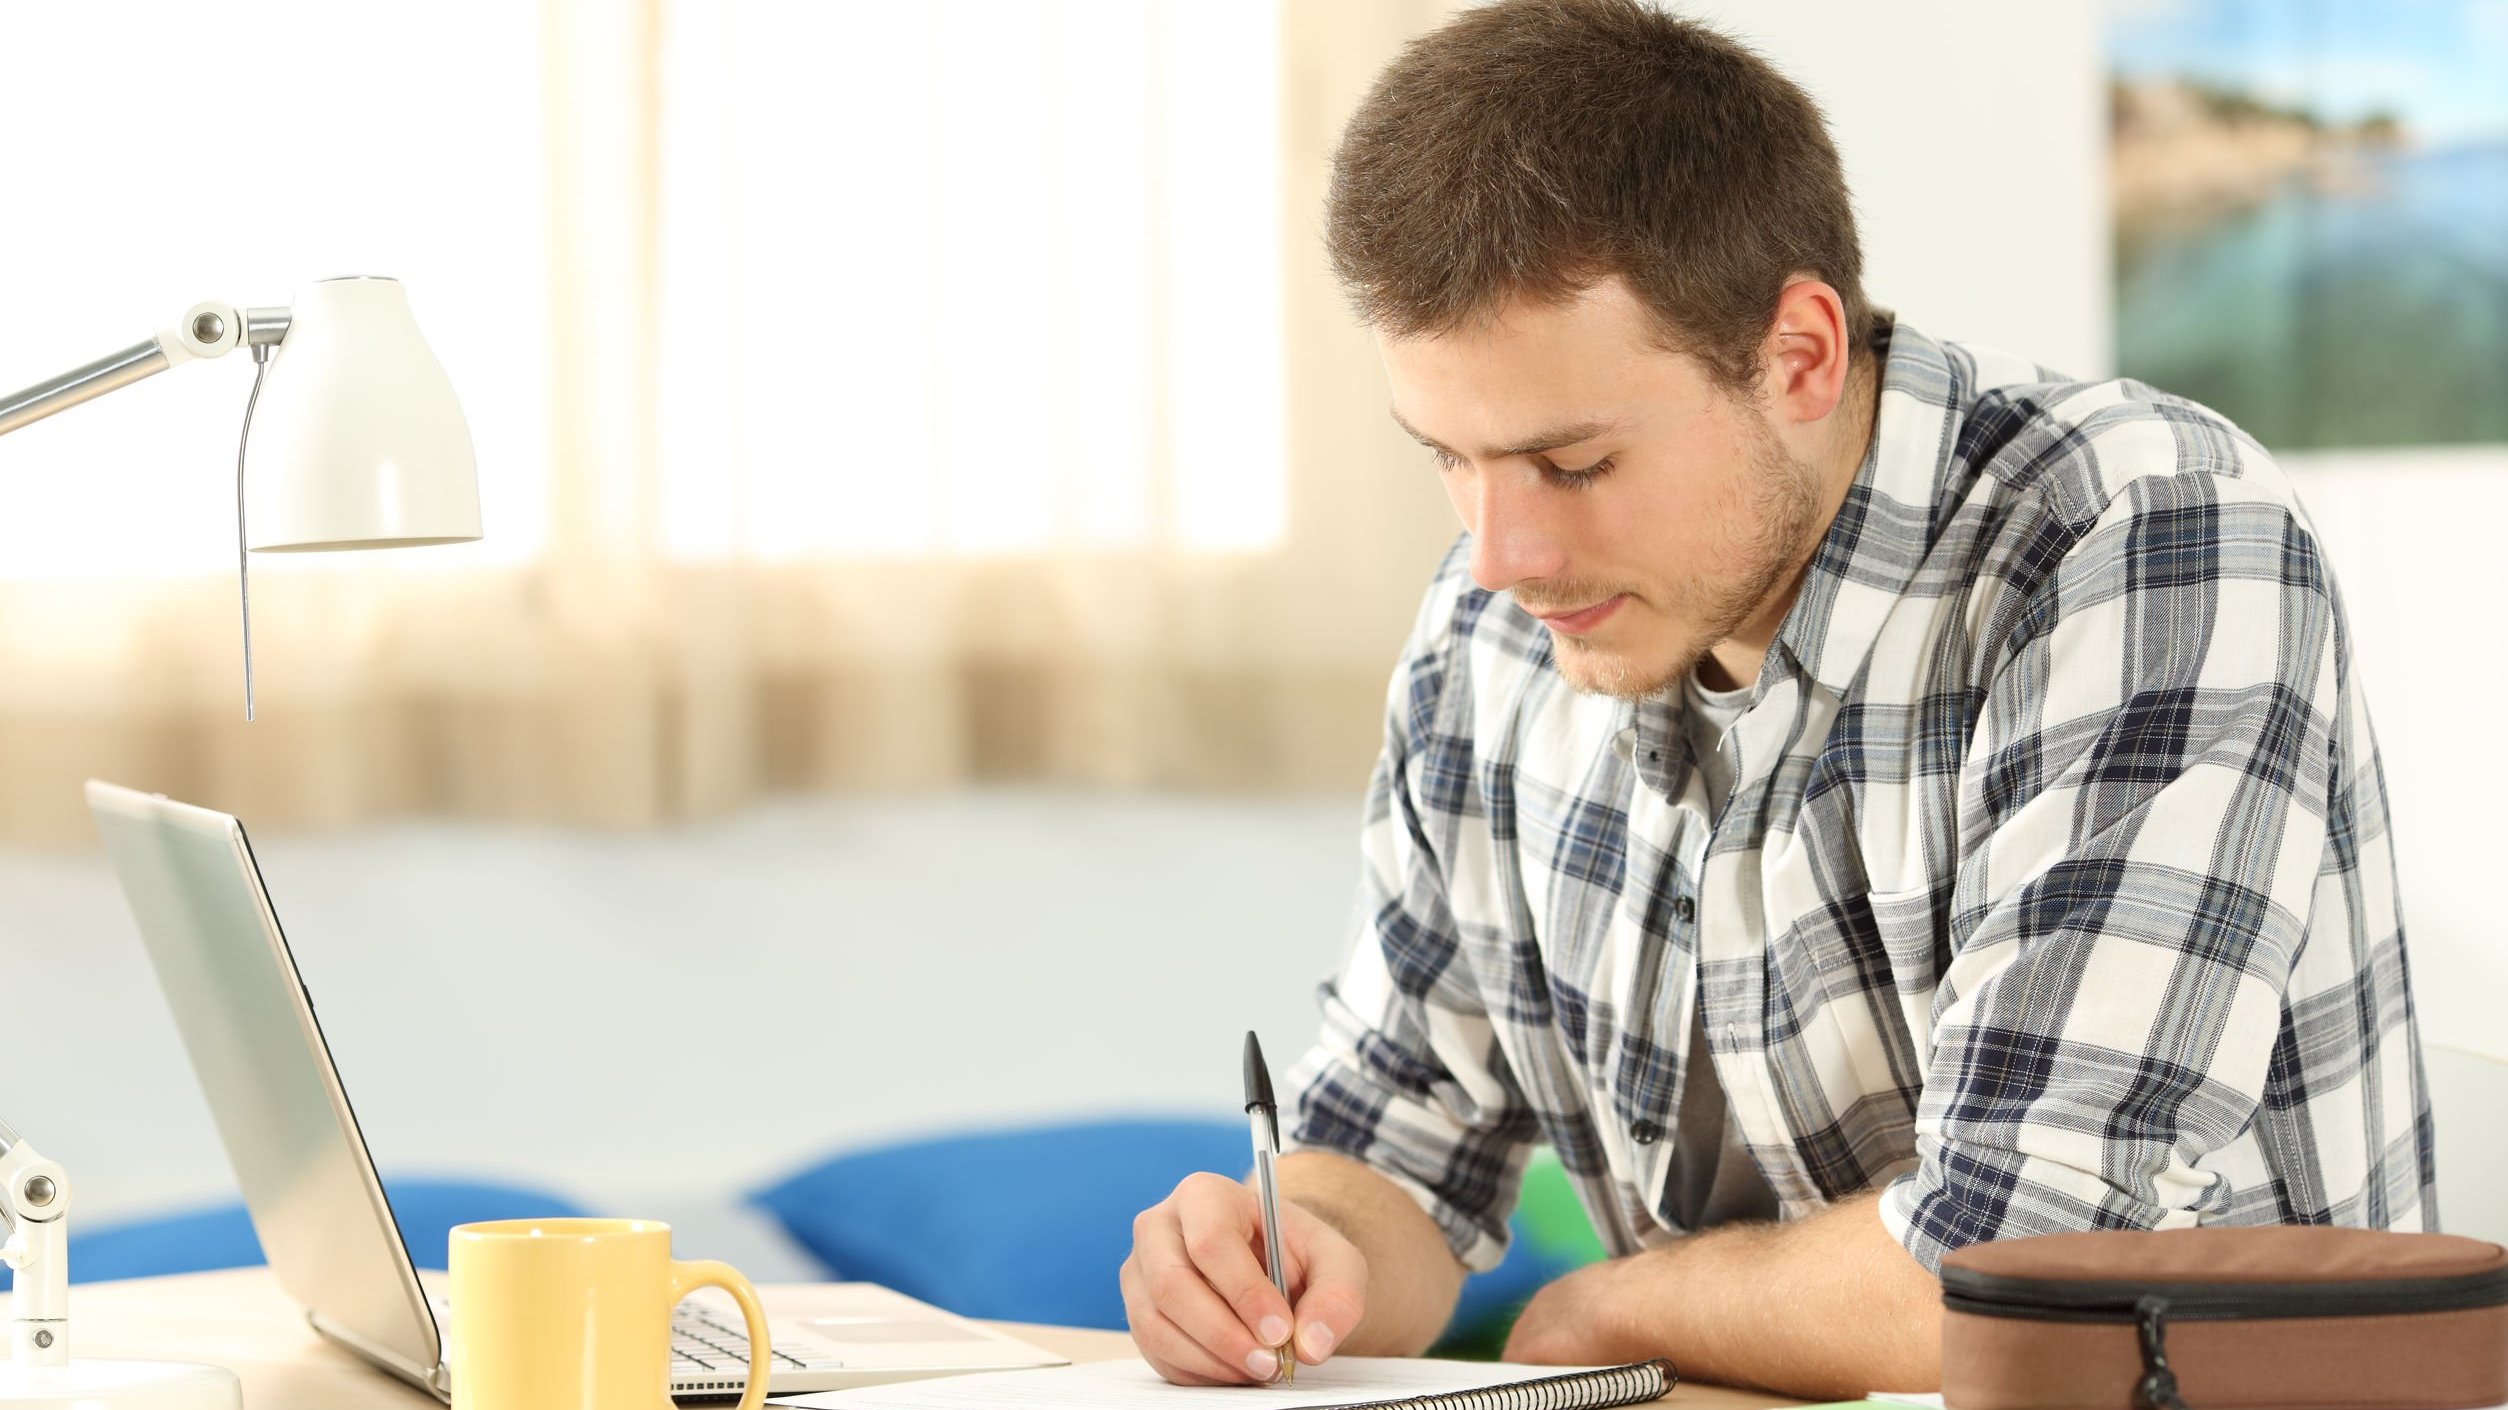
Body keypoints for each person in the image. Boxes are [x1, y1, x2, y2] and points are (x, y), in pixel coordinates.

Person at [1118, 0, 2435, 1398]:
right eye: (1450, 456)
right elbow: (1394, 1136)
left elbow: (2033, 1260)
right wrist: (1294, 1252)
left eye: (1571, 464)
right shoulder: (1486, 630)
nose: (1501, 555)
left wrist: (1612, 1310)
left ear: (1799, 354)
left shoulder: (2141, 534)